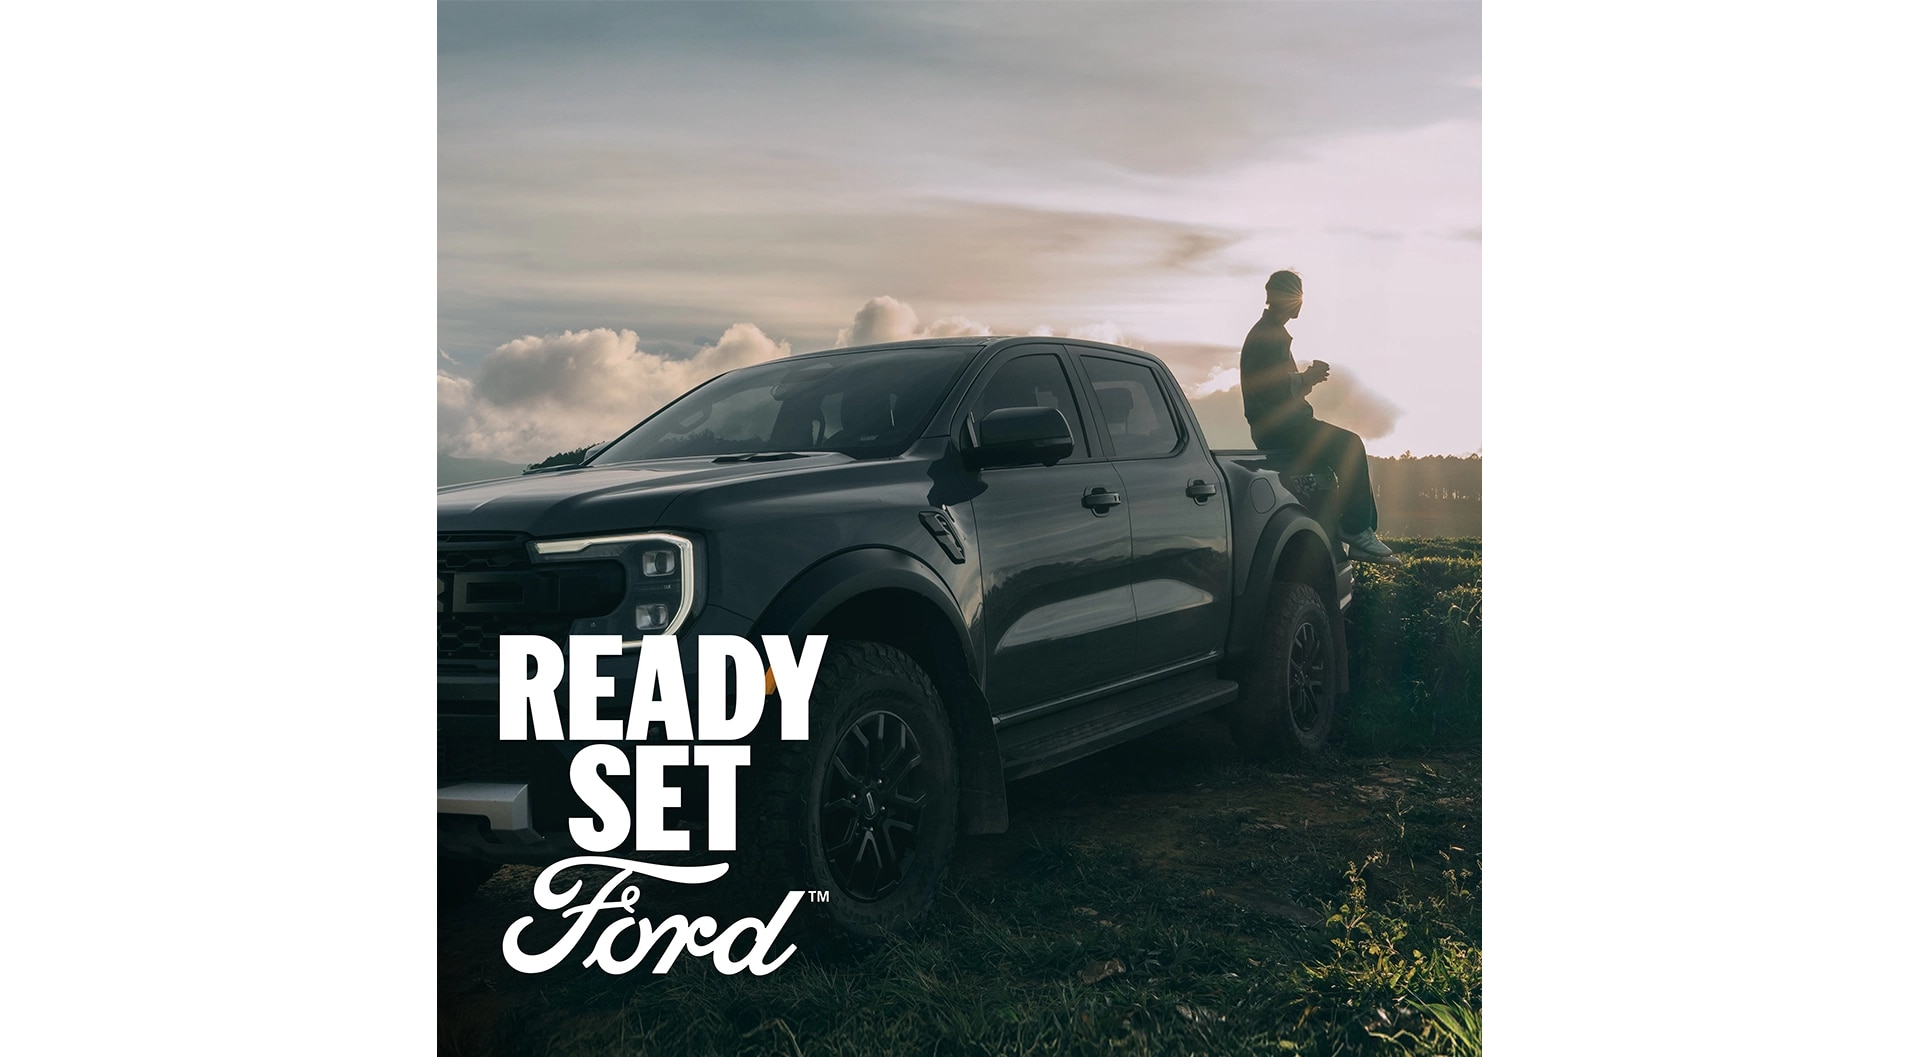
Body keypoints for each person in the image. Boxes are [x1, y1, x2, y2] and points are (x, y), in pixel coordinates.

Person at [1241, 269, 1399, 564]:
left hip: (1282, 425)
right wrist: (1305, 378)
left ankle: (1345, 534)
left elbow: (1277, 387)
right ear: (1277, 297)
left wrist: (1306, 380)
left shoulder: (1270, 334)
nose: (1300, 301)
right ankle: (1355, 530)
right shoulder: (1268, 336)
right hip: (1282, 428)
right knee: (1350, 445)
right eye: (1294, 294)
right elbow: (1269, 387)